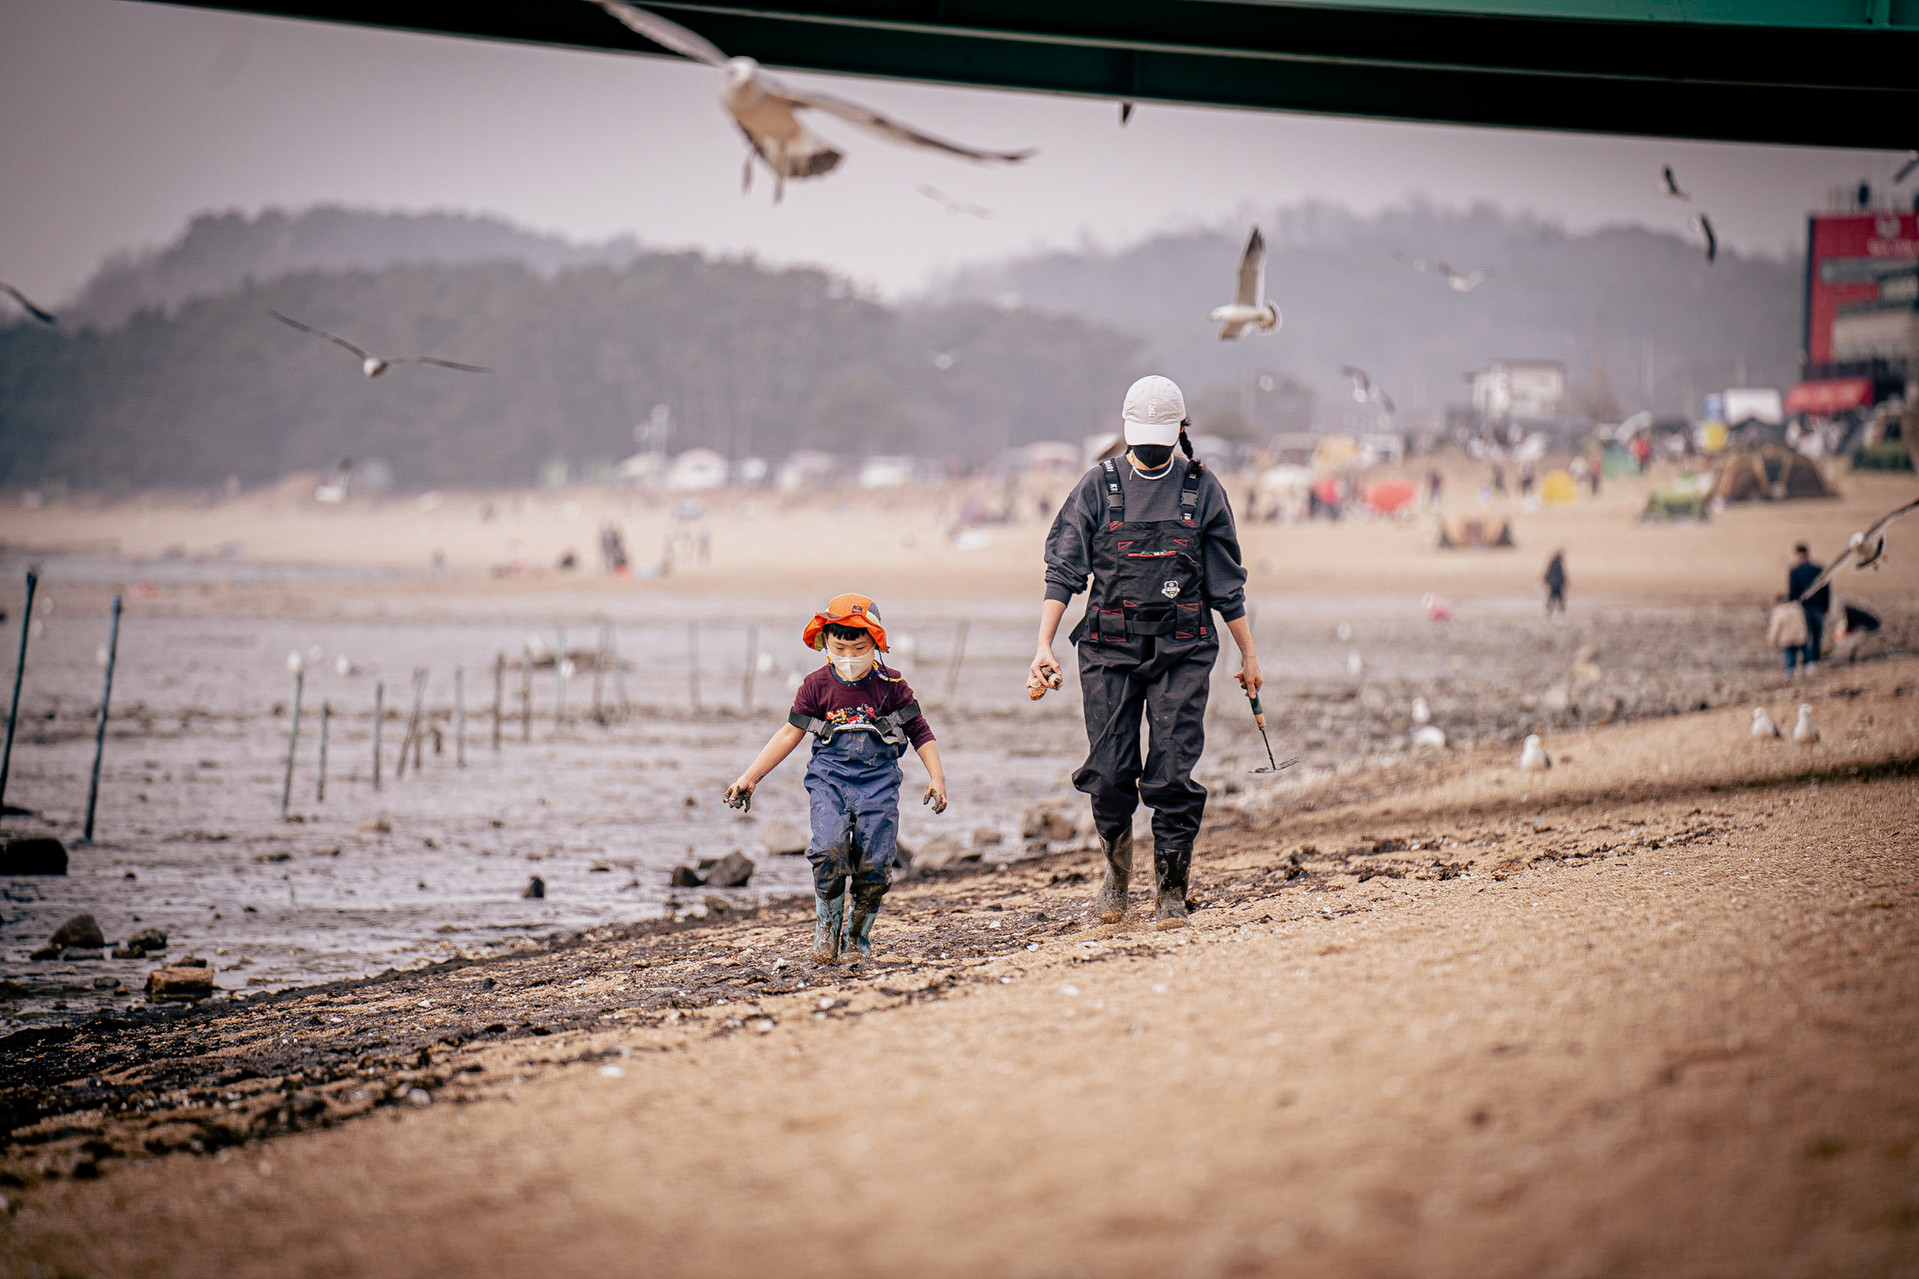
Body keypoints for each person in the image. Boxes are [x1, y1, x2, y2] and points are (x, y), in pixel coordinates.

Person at [1029, 375, 1260, 929]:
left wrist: (1249, 657)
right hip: (1107, 650)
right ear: (1127, 432)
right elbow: (1064, 571)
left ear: (1181, 430)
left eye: (1162, 435)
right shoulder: (1096, 485)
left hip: (1184, 648)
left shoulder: (1204, 491)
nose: (1152, 446)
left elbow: (1227, 585)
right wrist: (1043, 644)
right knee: (1109, 773)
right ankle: (1116, 876)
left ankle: (1172, 892)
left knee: (1172, 772)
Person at [725, 594, 947, 963]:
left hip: (879, 783)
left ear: (875, 644)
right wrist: (750, 778)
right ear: (824, 642)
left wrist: (936, 777)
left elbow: (920, 730)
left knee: (875, 863)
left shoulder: (892, 685)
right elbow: (788, 734)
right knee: (828, 851)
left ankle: (856, 938)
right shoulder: (815, 686)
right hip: (830, 781)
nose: (848, 655)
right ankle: (825, 933)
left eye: (858, 647)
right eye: (839, 646)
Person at [1787, 542, 1830, 669]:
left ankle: (1808, 660)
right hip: (1818, 607)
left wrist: (1791, 607)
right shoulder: (1819, 569)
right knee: (1816, 635)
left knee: (1805, 635)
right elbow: (1826, 589)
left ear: (1798, 554)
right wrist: (1826, 606)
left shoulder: (1795, 571)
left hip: (1803, 608)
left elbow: (1793, 592)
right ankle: (1814, 661)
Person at [1543, 550, 1567, 616]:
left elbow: (1548, 573)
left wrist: (1546, 580)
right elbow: (1561, 574)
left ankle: (1549, 610)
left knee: (1552, 597)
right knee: (1559, 598)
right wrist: (1564, 582)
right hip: (1557, 584)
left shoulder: (1552, 563)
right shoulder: (1558, 564)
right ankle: (1561, 611)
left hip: (1553, 583)